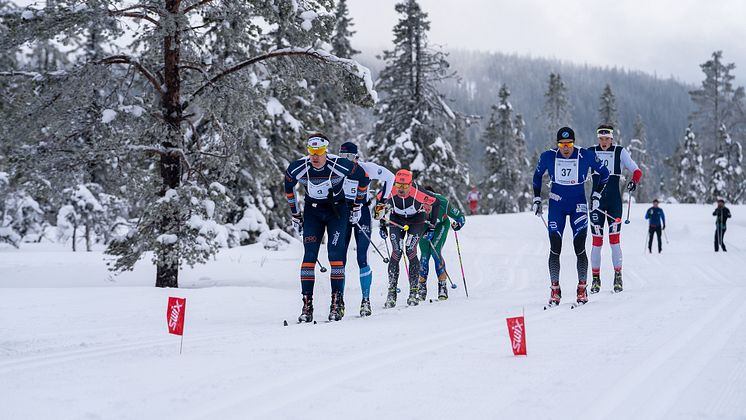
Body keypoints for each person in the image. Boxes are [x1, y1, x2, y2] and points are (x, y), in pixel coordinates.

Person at [284, 134, 370, 323]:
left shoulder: (339, 164)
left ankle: (336, 303)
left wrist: (357, 206)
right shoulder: (298, 167)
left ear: (326, 151)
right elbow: (288, 187)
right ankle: (307, 305)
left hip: (336, 212)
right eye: (311, 152)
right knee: (309, 257)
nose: (315, 156)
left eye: (319, 152)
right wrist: (295, 214)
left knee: (335, 256)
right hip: (313, 212)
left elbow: (364, 178)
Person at [532, 127, 609, 307]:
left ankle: (582, 287)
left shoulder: (585, 155)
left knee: (579, 247)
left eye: (569, 144)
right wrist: (536, 198)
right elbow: (536, 177)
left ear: (573, 143)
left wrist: (596, 195)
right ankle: (554, 289)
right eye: (562, 144)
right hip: (556, 205)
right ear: (557, 144)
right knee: (555, 247)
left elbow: (604, 174)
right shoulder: (548, 156)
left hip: (578, 206)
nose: (566, 148)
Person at [338, 141, 395, 316]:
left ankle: (366, 301)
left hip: (361, 212)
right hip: (341, 213)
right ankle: (338, 301)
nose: (345, 160)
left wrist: (382, 202)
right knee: (339, 260)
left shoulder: (366, 168)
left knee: (362, 257)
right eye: (342, 157)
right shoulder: (336, 168)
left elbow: (390, 177)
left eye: (348, 157)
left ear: (356, 156)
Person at [589, 124, 643, 293]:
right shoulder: (591, 151)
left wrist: (634, 181)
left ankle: (617, 276)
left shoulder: (620, 152)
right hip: (596, 204)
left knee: (614, 241)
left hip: (614, 203)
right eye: (601, 138)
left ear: (612, 138)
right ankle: (595, 279)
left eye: (607, 139)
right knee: (597, 243)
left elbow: (636, 170)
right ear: (598, 138)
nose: (604, 142)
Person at [374, 169, 439, 307]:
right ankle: (391, 293)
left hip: (416, 221)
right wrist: (382, 224)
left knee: (411, 250)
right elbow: (379, 200)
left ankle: (413, 293)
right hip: (396, 220)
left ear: (410, 184)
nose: (401, 189)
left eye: (404, 186)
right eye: (398, 185)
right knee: (396, 252)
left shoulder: (418, 192)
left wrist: (432, 226)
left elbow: (436, 202)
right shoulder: (390, 190)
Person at [417, 186, 466, 301]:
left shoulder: (443, 203)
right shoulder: (417, 201)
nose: (427, 206)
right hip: (424, 226)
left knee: (435, 251)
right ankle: (421, 287)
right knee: (424, 254)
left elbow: (460, 217)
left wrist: (458, 224)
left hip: (441, 225)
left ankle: (442, 285)